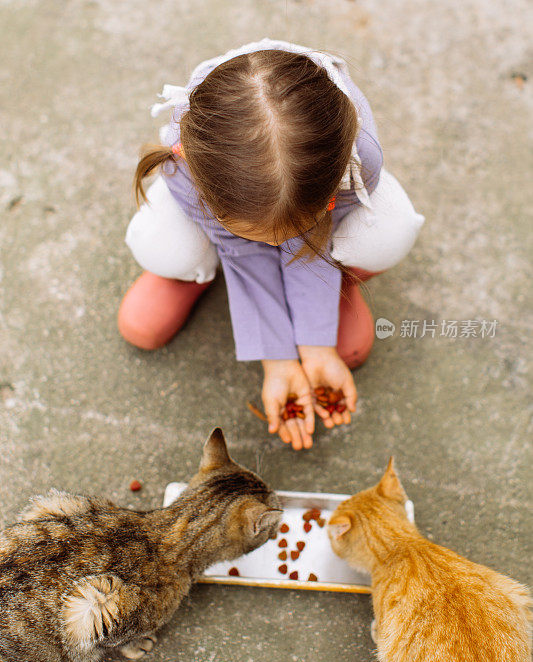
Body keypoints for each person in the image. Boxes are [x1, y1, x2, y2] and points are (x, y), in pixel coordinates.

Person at [118, 38, 424, 450]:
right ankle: (191, 273)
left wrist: (314, 347)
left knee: (390, 230)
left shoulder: (357, 159)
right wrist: (277, 358)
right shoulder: (188, 156)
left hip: (320, 214)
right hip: (221, 203)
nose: (275, 244)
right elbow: (242, 250)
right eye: (258, 233)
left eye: (285, 233)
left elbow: (314, 239)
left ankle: (339, 281)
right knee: (162, 245)